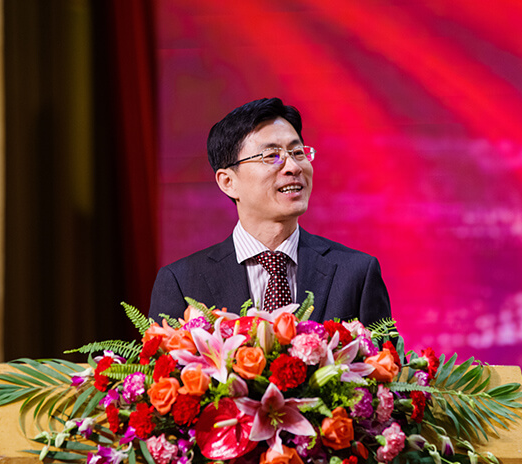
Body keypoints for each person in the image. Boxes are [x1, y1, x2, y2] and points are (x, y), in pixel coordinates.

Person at [148, 97, 390, 327]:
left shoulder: (356, 273)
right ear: (228, 182)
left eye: (298, 153)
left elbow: (385, 356)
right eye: (272, 156)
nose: (293, 167)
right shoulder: (181, 282)